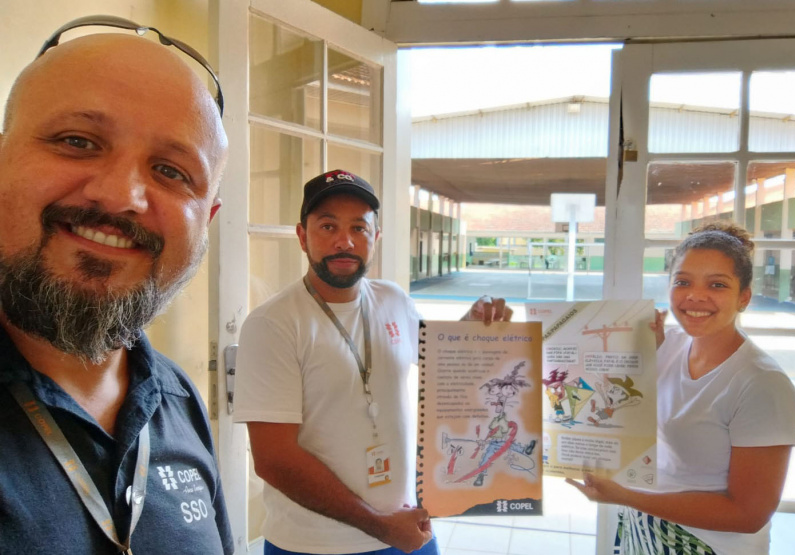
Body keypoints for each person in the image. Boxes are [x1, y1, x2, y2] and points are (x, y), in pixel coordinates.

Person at [0, 18, 233, 554]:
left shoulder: (177, 401)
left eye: (172, 172)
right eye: (78, 141)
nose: (120, 196)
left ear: (206, 222)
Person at [234, 169, 512, 555]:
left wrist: (474, 327)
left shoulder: (393, 299)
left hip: (407, 526)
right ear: (302, 236)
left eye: (359, 228)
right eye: (327, 226)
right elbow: (275, 460)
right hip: (315, 545)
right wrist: (380, 527)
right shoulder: (273, 324)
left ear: (375, 238)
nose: (344, 241)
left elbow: (440, 361)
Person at [567, 222, 795, 555]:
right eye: (683, 281)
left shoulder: (762, 384)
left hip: (708, 544)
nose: (695, 296)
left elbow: (749, 514)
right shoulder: (668, 343)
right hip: (643, 524)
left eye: (717, 284)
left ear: (744, 297)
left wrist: (624, 495)